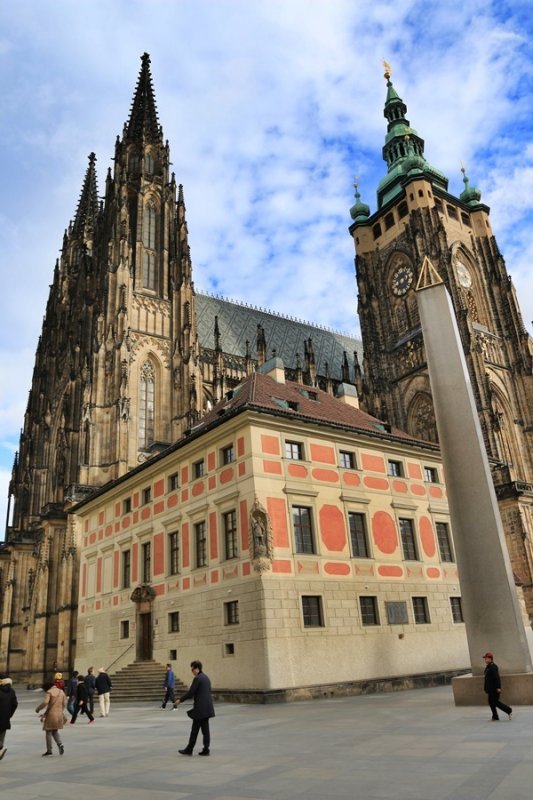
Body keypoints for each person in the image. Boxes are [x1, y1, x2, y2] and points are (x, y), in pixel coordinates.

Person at [175, 660, 215, 756]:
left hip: (200, 708)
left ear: (196, 669)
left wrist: (180, 700)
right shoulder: (206, 677)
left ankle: (189, 749)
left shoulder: (198, 679)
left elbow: (191, 693)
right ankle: (206, 749)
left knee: (194, 730)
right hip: (207, 707)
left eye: (192, 669)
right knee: (205, 730)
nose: (192, 671)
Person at [36, 680, 66, 756]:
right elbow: (64, 703)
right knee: (55, 731)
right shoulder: (61, 691)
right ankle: (60, 744)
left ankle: (49, 750)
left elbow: (46, 702)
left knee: (48, 731)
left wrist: (38, 709)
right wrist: (60, 710)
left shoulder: (49, 692)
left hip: (51, 714)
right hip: (59, 714)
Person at [483, 652, 513, 721]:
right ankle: (495, 716)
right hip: (490, 689)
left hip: (494, 689)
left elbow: (497, 678)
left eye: (486, 658)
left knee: (495, 702)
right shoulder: (488, 666)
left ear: (490, 659)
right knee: (491, 702)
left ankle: (509, 710)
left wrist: (498, 687)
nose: (485, 660)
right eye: (485, 658)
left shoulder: (493, 666)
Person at [0, 673, 18, 760]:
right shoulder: (11, 691)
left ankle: (1, 747)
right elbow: (15, 704)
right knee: (2, 734)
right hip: (5, 718)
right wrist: (9, 714)